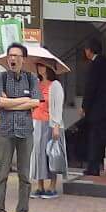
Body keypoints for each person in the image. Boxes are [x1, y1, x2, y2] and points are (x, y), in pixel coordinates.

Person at [0, 42, 42, 212]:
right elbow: (1, 103)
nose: (13, 59)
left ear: (23, 59)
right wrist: (24, 101)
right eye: (10, 56)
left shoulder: (32, 79)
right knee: (2, 174)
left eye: (17, 56)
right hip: (5, 131)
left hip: (25, 131)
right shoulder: (1, 78)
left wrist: (11, 101)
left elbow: (36, 102)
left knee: (25, 175)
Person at [78, 38, 106, 176]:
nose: (85, 52)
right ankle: (93, 167)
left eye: (86, 49)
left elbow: (90, 87)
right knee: (95, 138)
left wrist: (84, 106)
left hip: (98, 109)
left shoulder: (95, 64)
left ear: (89, 50)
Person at [30, 58, 66, 198]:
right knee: (38, 154)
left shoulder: (55, 85)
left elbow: (58, 107)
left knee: (51, 154)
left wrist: (56, 125)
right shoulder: (37, 84)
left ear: (49, 67)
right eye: (38, 65)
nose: (40, 68)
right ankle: (39, 186)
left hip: (50, 123)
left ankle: (52, 186)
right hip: (36, 122)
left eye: (43, 66)